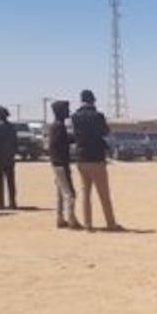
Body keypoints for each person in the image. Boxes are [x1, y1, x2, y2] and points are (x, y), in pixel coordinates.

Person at [71, 90, 122, 232]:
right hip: (96, 158)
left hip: (81, 158)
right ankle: (110, 223)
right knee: (103, 193)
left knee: (85, 193)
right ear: (93, 100)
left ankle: (88, 224)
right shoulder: (98, 116)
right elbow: (105, 131)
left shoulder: (75, 117)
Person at [47, 100, 82, 230]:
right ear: (60, 111)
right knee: (70, 193)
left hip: (57, 164)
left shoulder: (57, 126)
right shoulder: (58, 126)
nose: (68, 112)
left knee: (61, 193)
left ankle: (60, 218)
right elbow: (55, 145)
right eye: (66, 109)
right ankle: (72, 220)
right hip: (61, 164)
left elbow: (64, 140)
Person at [0, 106, 18, 209]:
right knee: (11, 181)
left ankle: (1, 204)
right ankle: (13, 202)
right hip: (9, 157)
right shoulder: (11, 127)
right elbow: (15, 142)